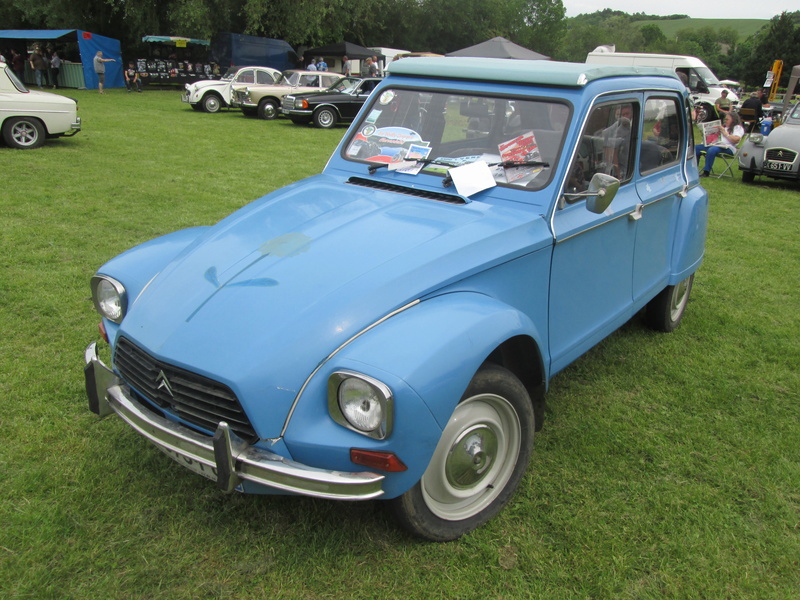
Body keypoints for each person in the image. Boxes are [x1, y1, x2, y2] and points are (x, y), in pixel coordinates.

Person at [695, 112, 744, 177]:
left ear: (733, 120)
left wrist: (725, 133)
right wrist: (705, 134)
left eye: (727, 119)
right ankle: (694, 170)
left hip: (728, 148)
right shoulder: (723, 127)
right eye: (725, 119)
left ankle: (706, 172)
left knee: (712, 150)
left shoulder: (737, 128)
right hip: (715, 145)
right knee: (695, 148)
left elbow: (736, 140)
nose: (725, 121)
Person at [601, 103, 634, 179]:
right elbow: (612, 150)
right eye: (623, 115)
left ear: (632, 113)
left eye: (627, 114)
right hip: (625, 170)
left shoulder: (634, 125)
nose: (625, 117)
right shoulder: (618, 130)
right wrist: (618, 175)